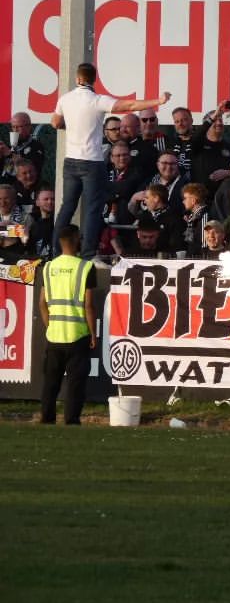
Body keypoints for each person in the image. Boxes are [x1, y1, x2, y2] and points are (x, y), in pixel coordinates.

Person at [51, 62, 170, 258]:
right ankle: (88, 254)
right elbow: (130, 105)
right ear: (94, 80)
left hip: (71, 161)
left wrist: (72, 126)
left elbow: (55, 122)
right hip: (91, 162)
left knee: (67, 207)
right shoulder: (97, 100)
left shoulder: (65, 99)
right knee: (93, 208)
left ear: (77, 78)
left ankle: (55, 252)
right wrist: (158, 100)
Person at [38, 224, 97, 425]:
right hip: (77, 335)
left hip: (54, 335)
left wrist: (50, 326)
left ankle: (47, 418)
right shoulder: (86, 267)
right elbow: (88, 305)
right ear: (76, 240)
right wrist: (93, 333)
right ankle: (71, 420)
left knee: (50, 381)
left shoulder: (49, 267)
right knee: (75, 383)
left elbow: (42, 303)